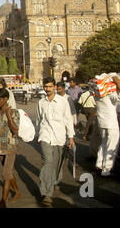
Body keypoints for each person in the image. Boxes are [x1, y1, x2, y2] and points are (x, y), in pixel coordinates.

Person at [36, 77, 75, 207]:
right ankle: (46, 193)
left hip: (59, 136)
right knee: (48, 162)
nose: (47, 89)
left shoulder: (63, 102)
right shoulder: (41, 102)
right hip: (45, 136)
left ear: (54, 87)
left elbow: (68, 119)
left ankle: (55, 180)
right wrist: (38, 135)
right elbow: (39, 119)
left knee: (57, 163)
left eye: (49, 87)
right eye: (45, 87)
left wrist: (71, 137)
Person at [0, 88, 21, 207]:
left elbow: (15, 130)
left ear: (5, 99)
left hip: (10, 146)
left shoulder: (14, 112)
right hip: (0, 146)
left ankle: (3, 201)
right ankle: (17, 192)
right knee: (8, 172)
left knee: (5, 174)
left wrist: (8, 116)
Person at [93, 75, 120, 177]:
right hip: (111, 124)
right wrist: (117, 82)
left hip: (101, 123)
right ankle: (106, 170)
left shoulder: (97, 94)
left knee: (103, 144)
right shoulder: (109, 94)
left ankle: (99, 165)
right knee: (112, 146)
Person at [78, 88, 100, 157]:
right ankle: (86, 134)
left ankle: (89, 133)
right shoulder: (92, 95)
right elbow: (95, 103)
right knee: (89, 122)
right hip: (91, 109)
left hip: (85, 109)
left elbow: (79, 102)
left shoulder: (83, 94)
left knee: (89, 121)